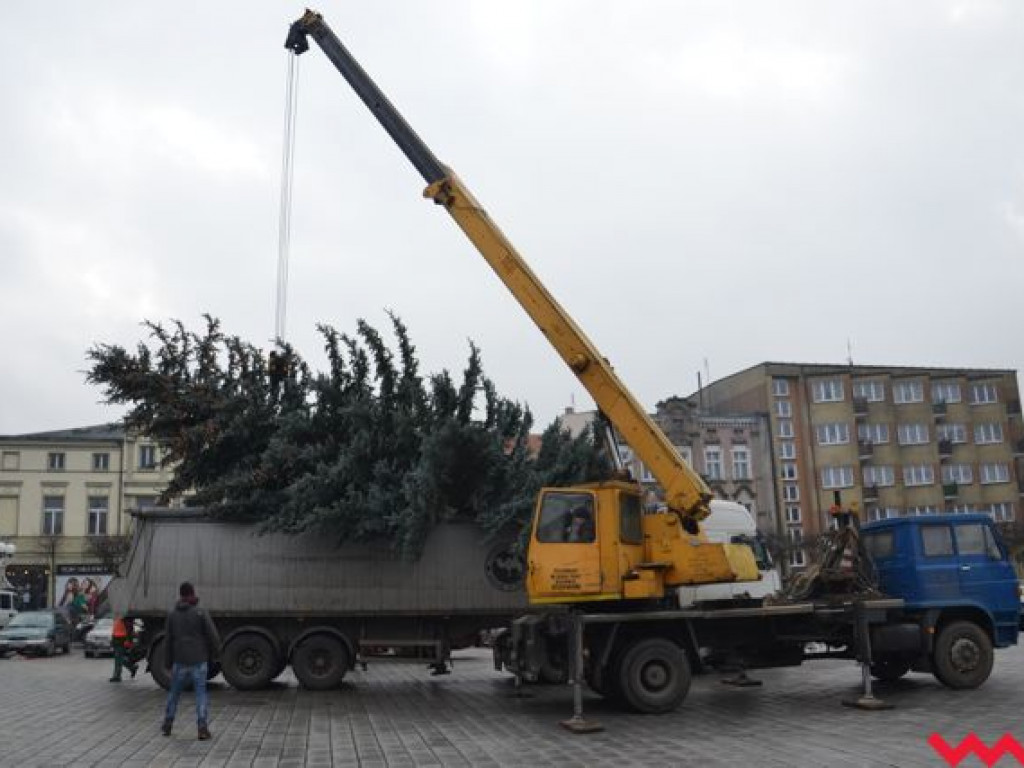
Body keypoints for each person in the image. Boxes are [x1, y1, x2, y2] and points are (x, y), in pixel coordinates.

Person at [162, 582, 221, 741]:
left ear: (180, 595)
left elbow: (168, 641)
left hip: (179, 661)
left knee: (174, 693)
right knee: (200, 694)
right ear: (192, 593)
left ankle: (168, 724)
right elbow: (212, 635)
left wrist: (167, 663)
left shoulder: (172, 614)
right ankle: (202, 727)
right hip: (198, 660)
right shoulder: (200, 612)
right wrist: (217, 654)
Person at [109, 615, 138, 682]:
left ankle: (117, 676)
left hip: (122, 638)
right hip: (116, 637)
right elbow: (115, 627)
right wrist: (112, 637)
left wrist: (128, 640)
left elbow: (129, 628)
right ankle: (132, 667)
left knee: (118, 657)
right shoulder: (117, 615)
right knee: (119, 657)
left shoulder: (125, 615)